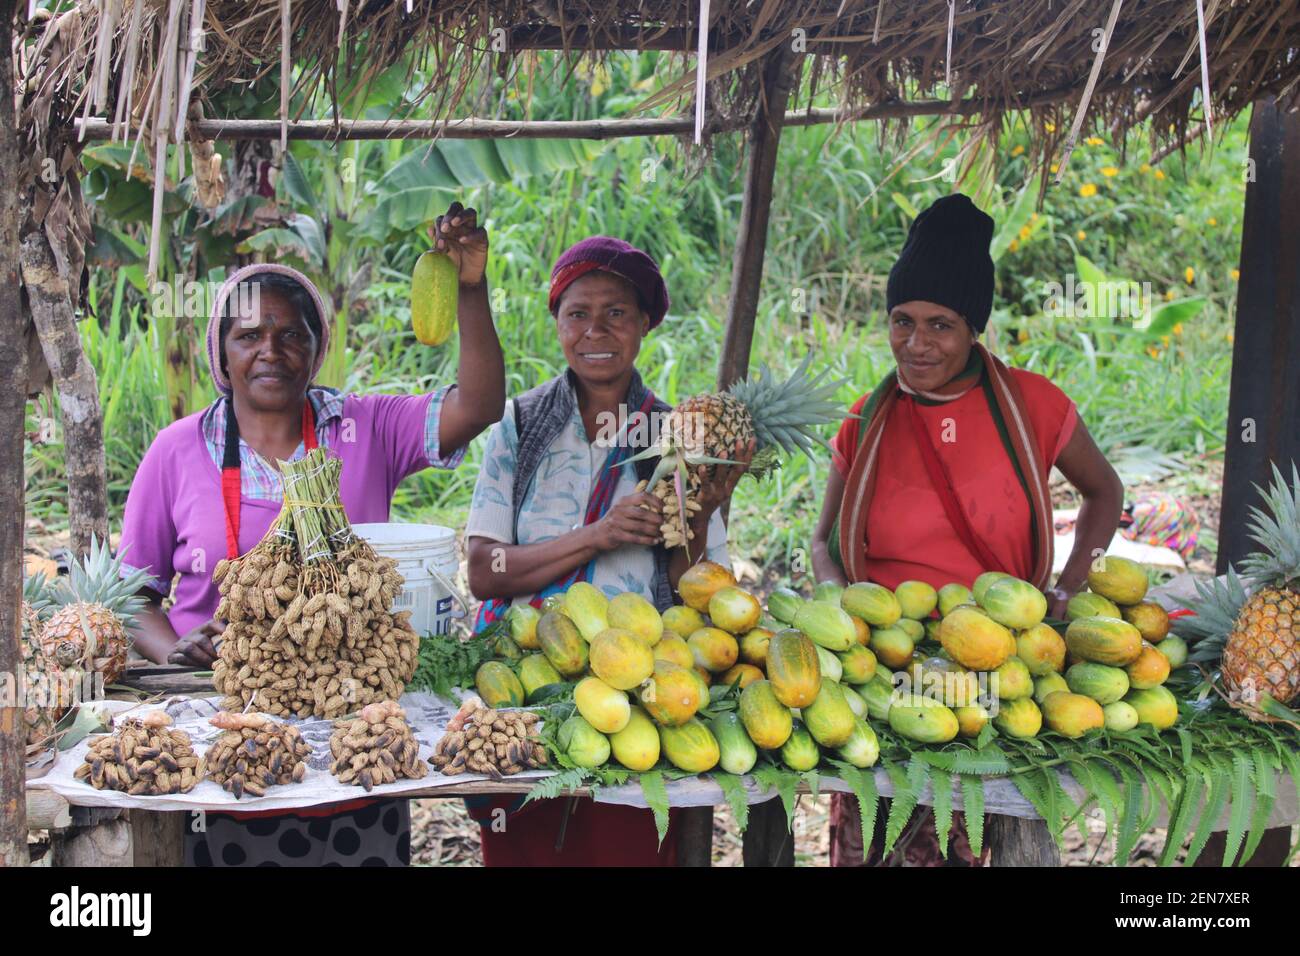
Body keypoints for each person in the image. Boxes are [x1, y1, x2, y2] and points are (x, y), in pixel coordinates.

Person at [118, 203, 504, 866]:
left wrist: (469, 287)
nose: (271, 351)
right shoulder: (176, 451)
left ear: (316, 347)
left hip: (352, 734)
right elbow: (133, 597)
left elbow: (478, 407)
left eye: (291, 335)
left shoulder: (364, 427)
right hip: (222, 742)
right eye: (249, 335)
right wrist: (180, 649)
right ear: (222, 351)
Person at [810, 194, 1124, 866]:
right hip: (883, 674)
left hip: (999, 676)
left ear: (974, 328)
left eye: (941, 325)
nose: (916, 344)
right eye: (902, 321)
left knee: (982, 840)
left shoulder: (1033, 405)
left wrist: (1071, 589)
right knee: (875, 842)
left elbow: (1104, 492)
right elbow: (822, 544)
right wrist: (839, 608)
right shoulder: (867, 421)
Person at [463, 235, 753, 865]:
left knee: (626, 846)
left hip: (638, 692)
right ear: (558, 322)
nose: (595, 330)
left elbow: (695, 590)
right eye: (578, 314)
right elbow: (485, 572)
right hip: (523, 681)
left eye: (617, 313)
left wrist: (700, 512)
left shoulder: (679, 434)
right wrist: (600, 535)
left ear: (645, 323)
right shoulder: (523, 424)